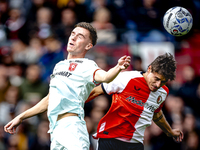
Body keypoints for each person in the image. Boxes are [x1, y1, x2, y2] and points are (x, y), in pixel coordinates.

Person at [4, 22, 131, 150]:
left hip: (72, 127)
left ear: (88, 45)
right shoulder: (59, 66)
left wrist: (118, 67)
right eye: (73, 34)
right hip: (55, 129)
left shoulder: (87, 65)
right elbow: (49, 99)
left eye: (80, 36)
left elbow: (105, 77)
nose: (73, 38)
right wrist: (21, 117)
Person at [86, 53, 184, 150]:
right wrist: (73, 107)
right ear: (149, 69)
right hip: (110, 139)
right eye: (156, 79)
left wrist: (169, 131)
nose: (158, 85)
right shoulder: (127, 78)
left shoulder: (163, 92)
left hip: (135, 143)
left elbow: (156, 113)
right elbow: (95, 92)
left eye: (163, 82)